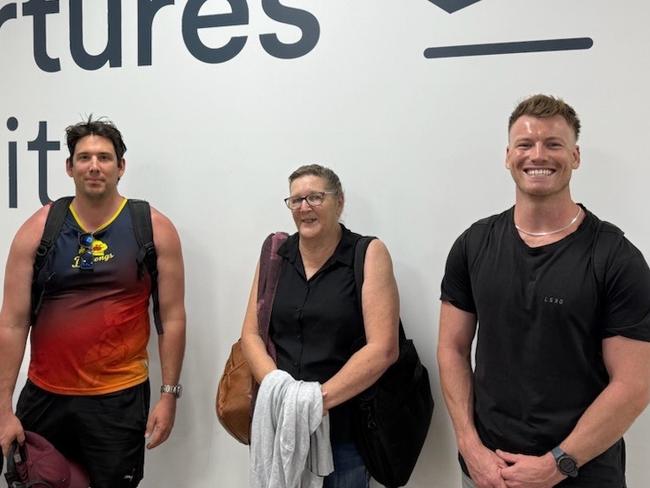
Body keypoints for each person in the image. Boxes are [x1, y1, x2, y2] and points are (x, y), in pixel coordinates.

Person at [438, 94, 650, 488]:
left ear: (575, 155)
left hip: (582, 472)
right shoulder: (473, 244)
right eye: (525, 144)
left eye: (553, 144)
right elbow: (451, 349)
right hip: (488, 472)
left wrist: (557, 464)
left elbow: (634, 385)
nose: (538, 155)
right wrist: (470, 446)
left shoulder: (615, 257)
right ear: (508, 156)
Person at [0, 117, 186, 487]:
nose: (94, 166)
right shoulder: (40, 228)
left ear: (121, 166)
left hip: (118, 400)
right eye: (84, 157)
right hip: (45, 398)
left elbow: (171, 319)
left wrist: (169, 395)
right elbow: (12, 322)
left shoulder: (152, 227)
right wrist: (3, 406)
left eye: (104, 157)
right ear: (70, 167)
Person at [241, 164, 400, 487]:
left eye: (315, 197)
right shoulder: (275, 255)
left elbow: (383, 348)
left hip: (345, 434)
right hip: (280, 422)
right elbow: (251, 334)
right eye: (296, 200)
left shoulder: (367, 253)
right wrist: (282, 394)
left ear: (339, 202)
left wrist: (314, 402)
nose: (304, 208)